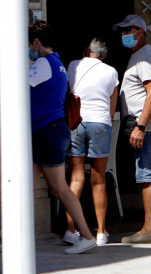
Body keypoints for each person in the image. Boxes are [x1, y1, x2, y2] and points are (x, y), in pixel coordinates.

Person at [28, 21, 96, 254]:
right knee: (24, 186)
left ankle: (86, 236)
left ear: (37, 42)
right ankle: (13, 237)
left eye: (30, 43)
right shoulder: (56, 64)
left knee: (60, 188)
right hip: (48, 130)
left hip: (47, 131)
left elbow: (15, 86)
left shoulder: (43, 64)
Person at [114, 14, 151, 245]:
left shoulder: (145, 58)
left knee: (148, 177)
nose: (124, 35)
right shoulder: (141, 56)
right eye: (122, 31)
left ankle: (149, 229)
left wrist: (140, 126)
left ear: (141, 32)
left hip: (150, 127)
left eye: (128, 30)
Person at [64, 38, 119, 246]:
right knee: (99, 179)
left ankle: (70, 230)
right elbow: (112, 106)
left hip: (77, 122)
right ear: (104, 55)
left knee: (76, 178)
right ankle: (102, 232)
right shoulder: (111, 72)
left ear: (87, 50)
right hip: (101, 124)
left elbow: (68, 91)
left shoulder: (73, 65)